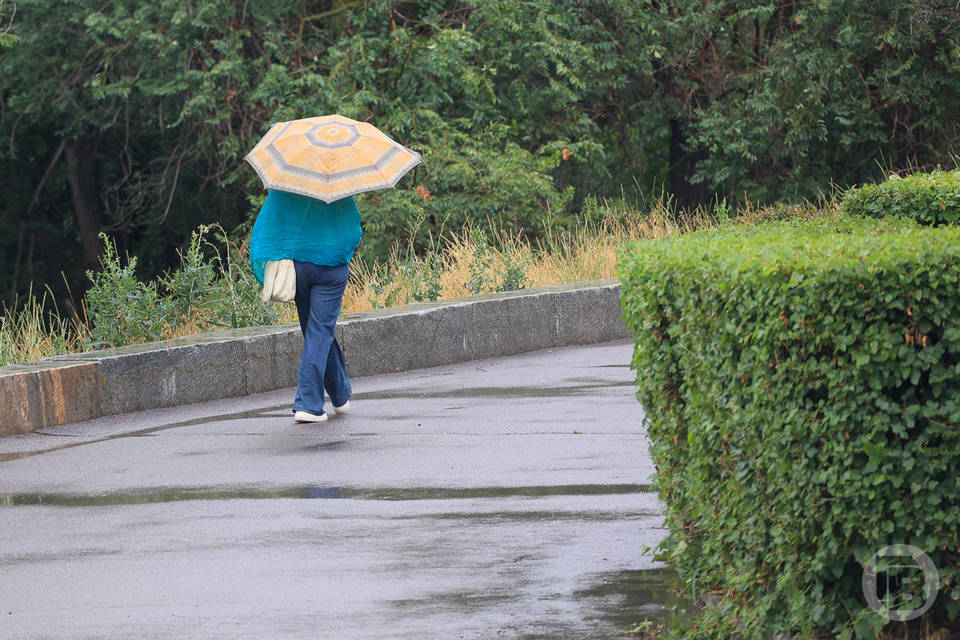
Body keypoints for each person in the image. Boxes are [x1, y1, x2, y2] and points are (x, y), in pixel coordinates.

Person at [249, 189, 363, 423]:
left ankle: (340, 396)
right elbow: (353, 230)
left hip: (298, 269)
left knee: (316, 331)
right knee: (320, 331)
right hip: (330, 268)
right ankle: (309, 405)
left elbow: (267, 226)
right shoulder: (338, 188)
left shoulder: (286, 187)